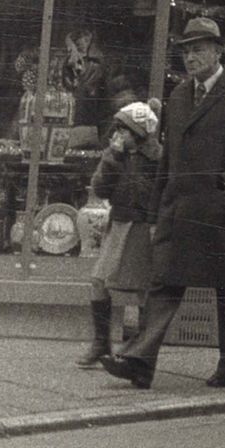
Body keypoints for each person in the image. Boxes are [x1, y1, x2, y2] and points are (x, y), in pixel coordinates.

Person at [101, 16, 225, 392]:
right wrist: (156, 210)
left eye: (198, 49)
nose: (190, 57)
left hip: (222, 213)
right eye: (185, 50)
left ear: (218, 51)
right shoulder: (179, 96)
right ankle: (139, 363)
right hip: (178, 212)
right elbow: (167, 160)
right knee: (165, 285)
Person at [77, 98, 162, 369]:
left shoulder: (157, 159)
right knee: (99, 280)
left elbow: (157, 193)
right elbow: (101, 189)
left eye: (123, 130)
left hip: (141, 226)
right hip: (120, 223)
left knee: (140, 288)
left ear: (137, 133)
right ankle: (101, 342)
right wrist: (112, 157)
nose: (117, 136)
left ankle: (139, 348)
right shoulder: (117, 156)